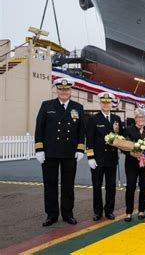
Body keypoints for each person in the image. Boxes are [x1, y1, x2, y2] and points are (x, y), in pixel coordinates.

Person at [34, 78, 85, 226]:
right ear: (57, 90)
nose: (64, 92)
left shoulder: (78, 107)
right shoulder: (47, 105)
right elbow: (39, 128)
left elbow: (82, 130)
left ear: (70, 91)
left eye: (66, 89)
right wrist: (39, 149)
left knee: (68, 185)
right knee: (50, 184)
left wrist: (80, 148)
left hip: (69, 152)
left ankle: (68, 214)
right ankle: (51, 214)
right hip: (50, 152)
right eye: (61, 89)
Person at [85, 92, 123, 221]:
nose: (106, 105)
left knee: (111, 187)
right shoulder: (93, 119)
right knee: (97, 186)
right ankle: (97, 211)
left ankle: (109, 211)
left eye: (108, 102)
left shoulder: (116, 119)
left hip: (112, 159)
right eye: (104, 102)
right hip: (98, 159)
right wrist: (90, 157)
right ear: (100, 103)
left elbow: (121, 138)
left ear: (111, 103)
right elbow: (89, 139)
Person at [123, 108, 145, 222]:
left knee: (144, 186)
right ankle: (128, 212)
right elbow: (123, 147)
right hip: (131, 163)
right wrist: (132, 153)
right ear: (135, 119)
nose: (140, 119)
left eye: (143, 117)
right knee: (130, 186)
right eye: (138, 117)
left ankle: (141, 210)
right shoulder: (128, 130)